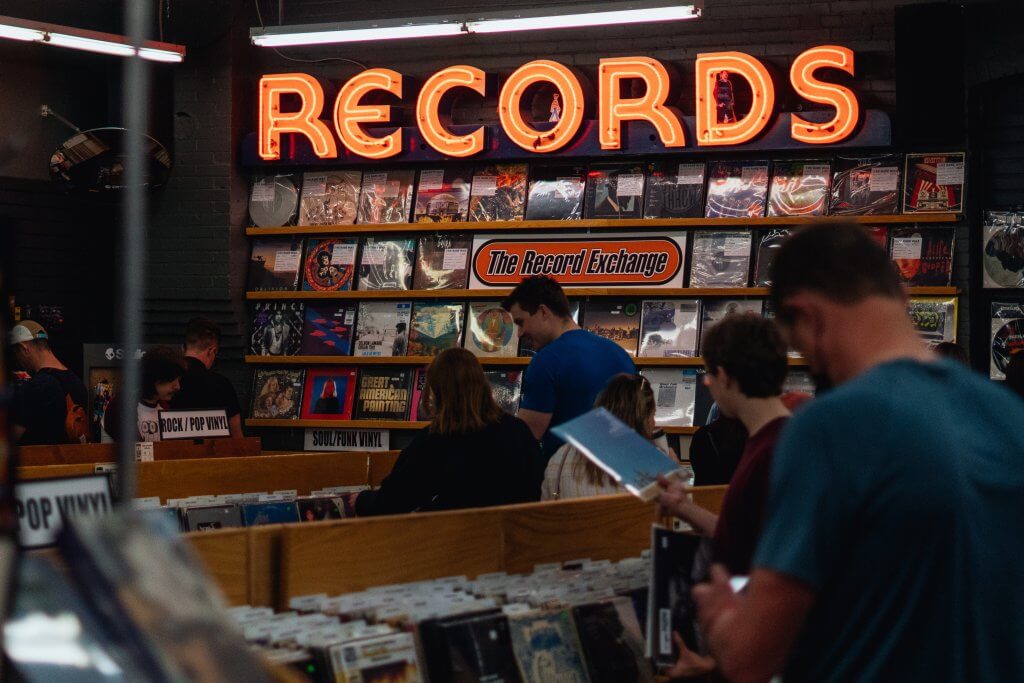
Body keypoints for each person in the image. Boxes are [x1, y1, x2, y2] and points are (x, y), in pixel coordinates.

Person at [691, 223, 1024, 682]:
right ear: (901, 297)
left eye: (800, 347)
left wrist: (721, 614)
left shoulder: (828, 427)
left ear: (807, 317)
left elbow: (752, 657)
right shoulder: (1007, 417)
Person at [657, 313, 791, 575]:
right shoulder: (775, 437)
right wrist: (683, 507)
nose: (708, 385)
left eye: (708, 376)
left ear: (724, 376)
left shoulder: (775, 451)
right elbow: (742, 538)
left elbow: (773, 562)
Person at [354, 348, 543, 516]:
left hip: (456, 547)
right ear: (483, 384)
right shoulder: (517, 431)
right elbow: (537, 487)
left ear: (436, 392)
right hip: (517, 543)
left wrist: (359, 500)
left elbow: (393, 501)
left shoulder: (434, 441)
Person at [502, 276, 635, 459]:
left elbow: (523, 440)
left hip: (567, 480)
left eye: (520, 322)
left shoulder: (546, 361)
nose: (520, 333)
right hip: (621, 477)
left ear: (543, 312)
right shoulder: (620, 354)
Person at [541, 373, 676, 500]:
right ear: (644, 418)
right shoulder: (654, 467)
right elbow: (675, 520)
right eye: (653, 415)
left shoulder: (560, 457)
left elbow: (547, 514)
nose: (654, 422)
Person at [8, 320, 89, 445]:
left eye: (16, 354)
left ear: (24, 348)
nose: (18, 362)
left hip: (37, 463)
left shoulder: (34, 388)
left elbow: (8, 440)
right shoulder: (77, 383)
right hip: (74, 463)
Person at [168, 318, 243, 437]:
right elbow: (237, 437)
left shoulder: (166, 382)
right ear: (212, 351)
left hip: (172, 454)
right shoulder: (222, 384)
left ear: (183, 348)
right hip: (215, 454)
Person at [104, 345, 186, 443]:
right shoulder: (122, 406)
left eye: (178, 379)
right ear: (154, 378)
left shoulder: (165, 408)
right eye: (172, 379)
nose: (177, 386)